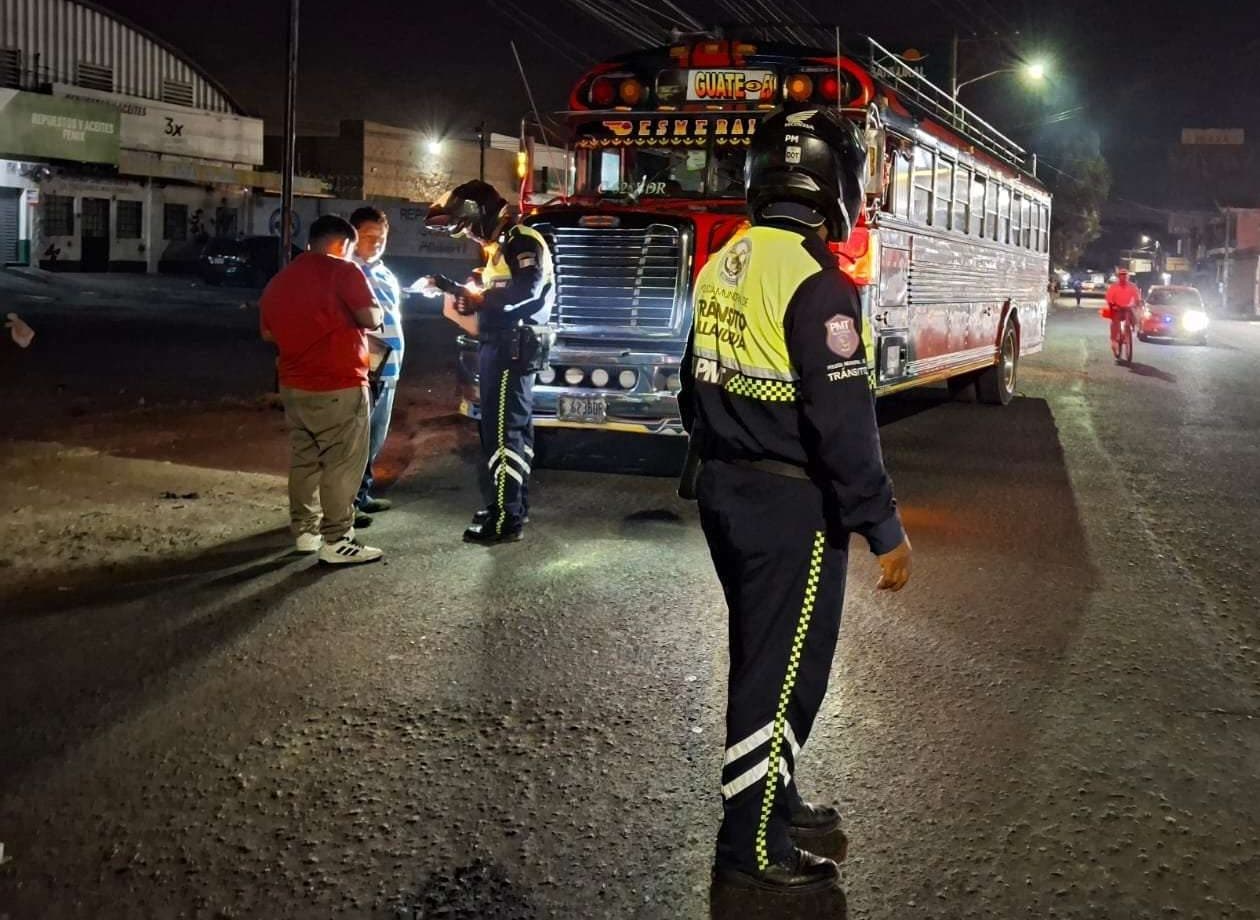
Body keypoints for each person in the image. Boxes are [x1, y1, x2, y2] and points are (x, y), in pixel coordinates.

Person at [679, 107, 912, 899]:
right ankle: (749, 845)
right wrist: (882, 526)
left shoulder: (723, 264)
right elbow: (844, 425)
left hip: (725, 492)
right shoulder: (821, 284)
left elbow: (691, 383)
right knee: (782, 680)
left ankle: (775, 797)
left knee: (759, 657)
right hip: (793, 511)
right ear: (833, 186)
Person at [423, 180, 554, 545]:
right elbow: (497, 292)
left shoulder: (521, 240)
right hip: (504, 346)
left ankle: (505, 518)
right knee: (514, 434)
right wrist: (454, 287)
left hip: (511, 349)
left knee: (502, 436)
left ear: (480, 214)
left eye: (466, 226)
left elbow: (525, 292)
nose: (467, 234)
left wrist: (472, 295)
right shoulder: (503, 246)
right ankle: (510, 505)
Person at [259, 214, 384, 565]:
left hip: (294, 386)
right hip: (339, 383)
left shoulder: (279, 281)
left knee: (304, 460)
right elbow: (371, 318)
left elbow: (269, 333)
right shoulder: (344, 271)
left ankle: (305, 532)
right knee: (343, 463)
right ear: (341, 244)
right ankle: (338, 539)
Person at [349, 207, 404, 519]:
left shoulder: (385, 274)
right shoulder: (347, 272)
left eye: (381, 238)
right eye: (369, 236)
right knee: (355, 440)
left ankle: (362, 493)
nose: (376, 243)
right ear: (353, 237)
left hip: (389, 369)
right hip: (362, 371)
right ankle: (347, 504)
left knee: (375, 438)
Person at [1104, 268, 1142, 344]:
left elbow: (1137, 297)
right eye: (1121, 275)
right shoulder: (1114, 287)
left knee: (1136, 316)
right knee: (1115, 322)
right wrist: (1112, 304)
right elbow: (1109, 297)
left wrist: (1138, 304)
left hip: (1128, 308)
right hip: (1118, 308)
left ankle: (1129, 331)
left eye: (1125, 275)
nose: (1123, 277)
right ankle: (1114, 340)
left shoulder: (1132, 286)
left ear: (1128, 277)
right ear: (1118, 276)